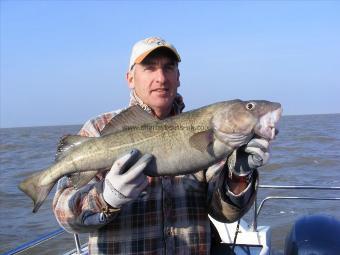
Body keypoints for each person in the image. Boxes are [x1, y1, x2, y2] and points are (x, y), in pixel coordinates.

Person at [53, 36, 270, 254]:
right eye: (149, 68)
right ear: (130, 78)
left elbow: (224, 214)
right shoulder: (98, 129)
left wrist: (239, 176)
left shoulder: (209, 131)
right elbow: (64, 214)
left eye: (169, 68)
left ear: (178, 77)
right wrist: (106, 198)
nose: (161, 78)